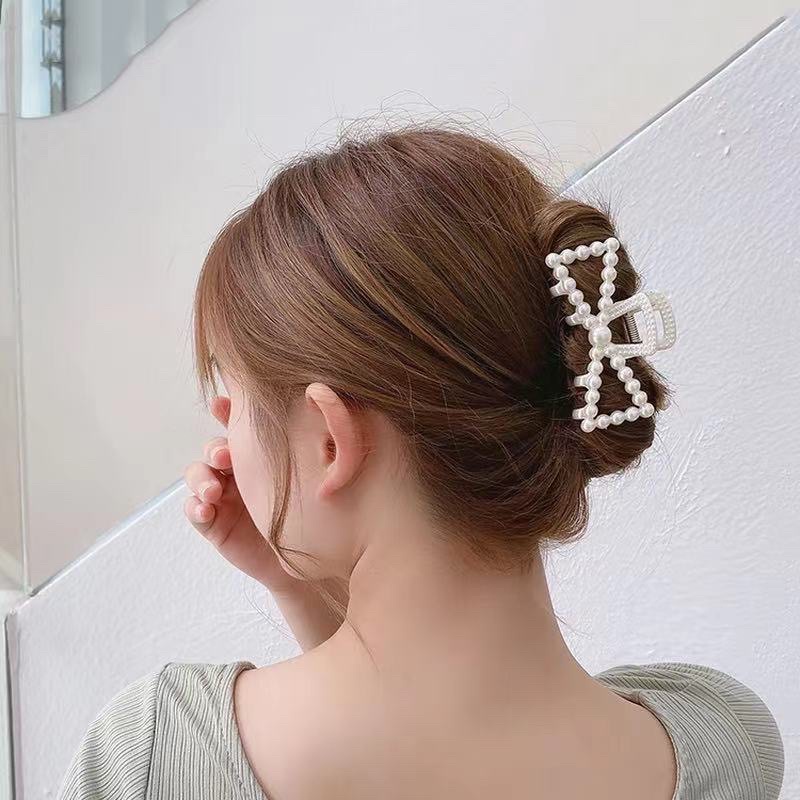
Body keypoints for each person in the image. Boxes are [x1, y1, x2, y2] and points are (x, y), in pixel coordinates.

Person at [58, 125, 784, 800]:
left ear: (329, 441)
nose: (224, 423)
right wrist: (312, 590)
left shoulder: (158, 757)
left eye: (237, 397)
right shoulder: (722, 744)